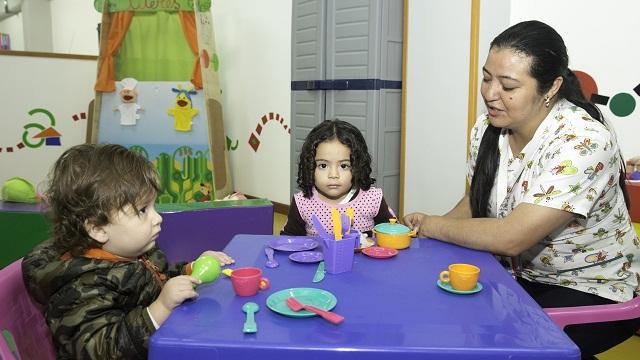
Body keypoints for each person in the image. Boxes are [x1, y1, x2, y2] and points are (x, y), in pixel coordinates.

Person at [403, 21, 640, 359]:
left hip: (593, 287)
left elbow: (511, 237)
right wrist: (424, 235)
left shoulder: (582, 141)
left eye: (508, 85)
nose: (489, 94)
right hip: (520, 276)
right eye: (487, 78)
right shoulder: (488, 128)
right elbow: (477, 199)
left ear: (551, 87)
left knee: (510, 349)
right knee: (450, 320)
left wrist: (429, 224)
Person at [21, 144, 235, 359]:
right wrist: (159, 308)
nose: (158, 218)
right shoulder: (81, 286)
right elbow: (100, 350)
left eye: (154, 206)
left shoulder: (134, 252)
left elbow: (159, 278)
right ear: (97, 228)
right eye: (143, 210)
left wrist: (190, 270)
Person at [281, 119, 395, 240]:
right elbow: (288, 241)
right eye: (323, 166)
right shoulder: (302, 203)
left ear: (358, 166)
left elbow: (394, 234)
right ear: (310, 166)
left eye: (344, 166)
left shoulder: (373, 199)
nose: (333, 175)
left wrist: (413, 226)